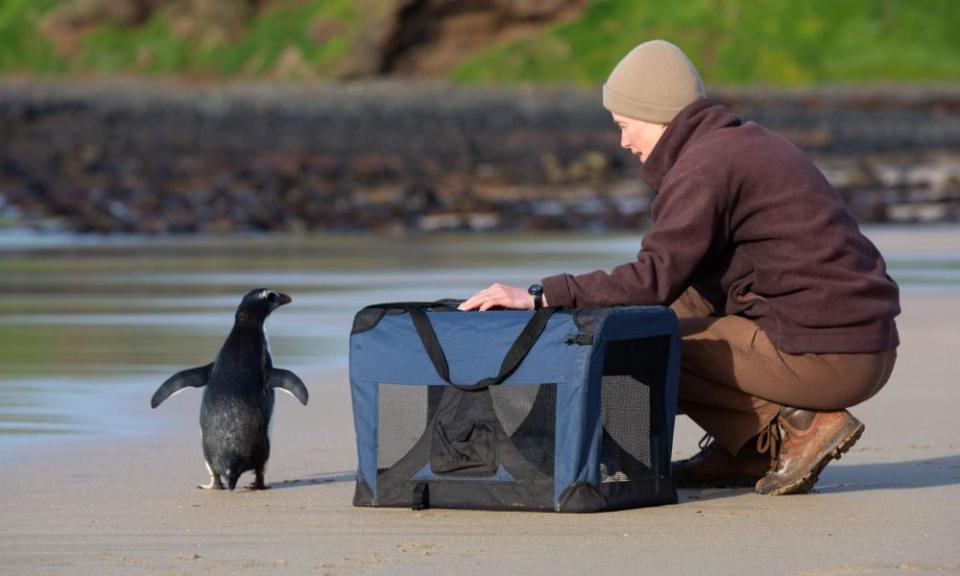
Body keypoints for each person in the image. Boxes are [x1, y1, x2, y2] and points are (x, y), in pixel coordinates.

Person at [458, 39, 900, 495]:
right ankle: (747, 447)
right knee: (662, 311)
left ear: (657, 114)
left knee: (632, 346)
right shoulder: (739, 143)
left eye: (625, 125)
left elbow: (651, 278)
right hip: (860, 344)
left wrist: (541, 295)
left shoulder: (703, 168)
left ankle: (801, 425)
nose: (623, 142)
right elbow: (672, 282)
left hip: (832, 357)